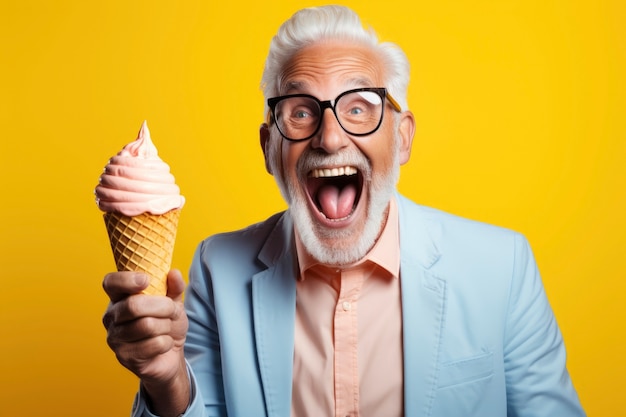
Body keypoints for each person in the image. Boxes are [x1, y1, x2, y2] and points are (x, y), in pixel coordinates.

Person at [102, 5, 586, 417]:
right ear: (270, 147)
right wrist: (167, 380)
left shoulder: (501, 268)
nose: (330, 138)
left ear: (402, 137)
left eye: (358, 108)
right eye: (301, 111)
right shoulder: (218, 268)